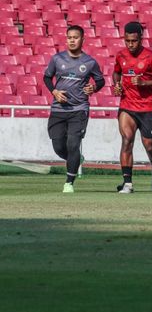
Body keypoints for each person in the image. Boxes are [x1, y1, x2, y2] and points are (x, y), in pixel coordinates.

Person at [44, 25, 105, 193]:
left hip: (79, 109)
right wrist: (54, 91)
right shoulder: (57, 59)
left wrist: (94, 88)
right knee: (58, 147)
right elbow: (47, 77)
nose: (72, 40)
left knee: (73, 144)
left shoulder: (90, 62)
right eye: (69, 37)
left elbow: (101, 81)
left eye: (75, 37)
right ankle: (76, 159)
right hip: (58, 109)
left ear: (82, 40)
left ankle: (69, 182)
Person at [112, 22, 152, 194]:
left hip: (148, 106)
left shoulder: (150, 57)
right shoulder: (121, 55)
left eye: (134, 41)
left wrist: (145, 83)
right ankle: (127, 182)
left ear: (140, 39)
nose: (130, 44)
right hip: (127, 105)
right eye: (127, 41)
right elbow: (116, 72)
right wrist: (116, 84)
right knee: (127, 140)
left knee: (149, 144)